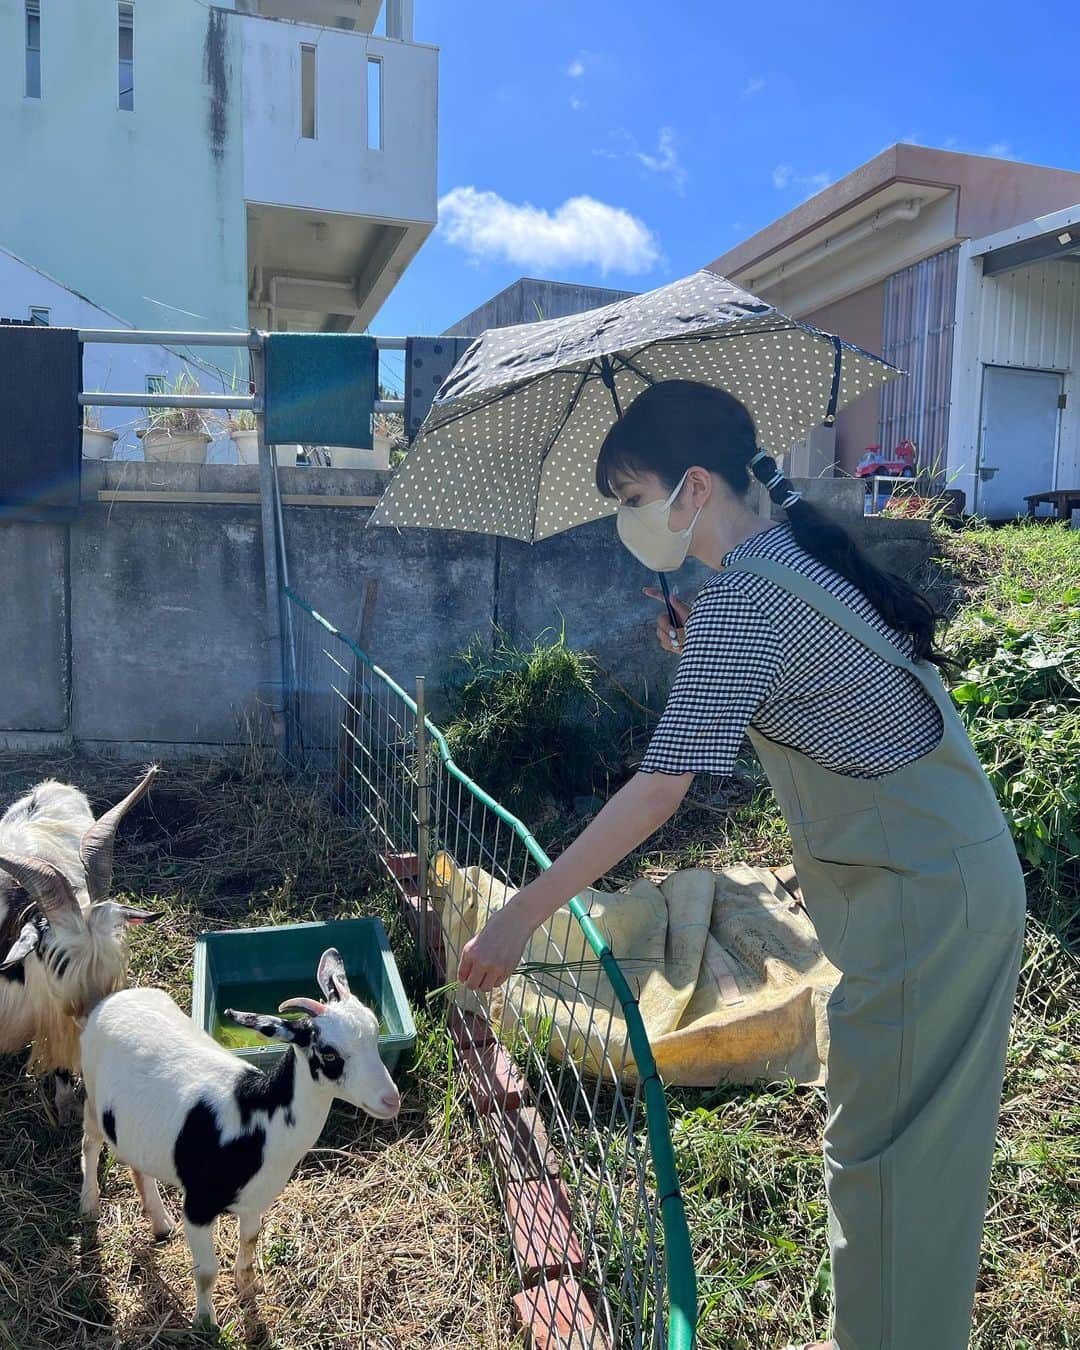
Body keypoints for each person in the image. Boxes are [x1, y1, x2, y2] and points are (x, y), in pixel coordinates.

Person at [457, 380, 1027, 1350]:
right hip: (947, 880)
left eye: (631, 498)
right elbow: (816, 688)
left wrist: (521, 916)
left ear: (691, 489)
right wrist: (705, 655)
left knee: (887, 1167)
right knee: (909, 1159)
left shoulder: (744, 605)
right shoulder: (790, 561)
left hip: (926, 909)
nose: (628, 521)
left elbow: (655, 793)